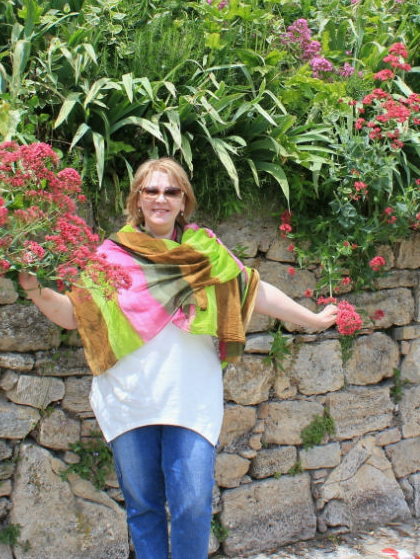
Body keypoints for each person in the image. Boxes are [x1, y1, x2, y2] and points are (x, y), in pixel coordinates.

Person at [18, 156, 337, 558]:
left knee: (191, 504)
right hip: (129, 398)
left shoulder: (205, 252)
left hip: (191, 399)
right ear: (136, 200)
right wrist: (35, 289)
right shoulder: (111, 256)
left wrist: (312, 319)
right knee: (144, 507)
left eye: (171, 192)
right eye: (151, 190)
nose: (160, 199)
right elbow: (73, 315)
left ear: (184, 201)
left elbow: (255, 292)